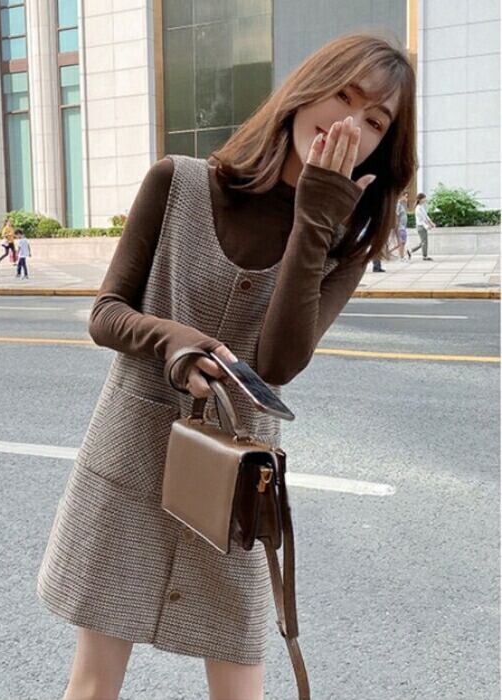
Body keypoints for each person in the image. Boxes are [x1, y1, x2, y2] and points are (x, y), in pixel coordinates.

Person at [36, 34, 415, 700]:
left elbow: (279, 362)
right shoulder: (179, 182)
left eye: (376, 121)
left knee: (240, 687)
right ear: (305, 91)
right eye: (343, 95)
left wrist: (315, 220)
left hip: (237, 489)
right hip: (131, 461)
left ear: (383, 147)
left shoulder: (344, 245)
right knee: (93, 685)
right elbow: (106, 314)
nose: (350, 122)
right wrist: (173, 340)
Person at [412, 192, 435, 260]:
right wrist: (429, 225)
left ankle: (411, 251)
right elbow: (423, 219)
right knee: (424, 242)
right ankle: (424, 256)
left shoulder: (421, 207)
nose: (425, 199)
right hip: (421, 227)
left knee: (424, 242)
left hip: (422, 227)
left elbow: (426, 216)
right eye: (424, 198)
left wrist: (431, 223)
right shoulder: (418, 208)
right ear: (420, 199)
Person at [393, 191, 411, 261]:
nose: (406, 198)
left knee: (403, 242)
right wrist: (397, 225)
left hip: (403, 226)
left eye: (407, 197)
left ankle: (402, 256)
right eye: (405, 196)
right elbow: (396, 215)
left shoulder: (402, 205)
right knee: (401, 242)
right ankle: (401, 257)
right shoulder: (398, 204)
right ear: (401, 196)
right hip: (400, 226)